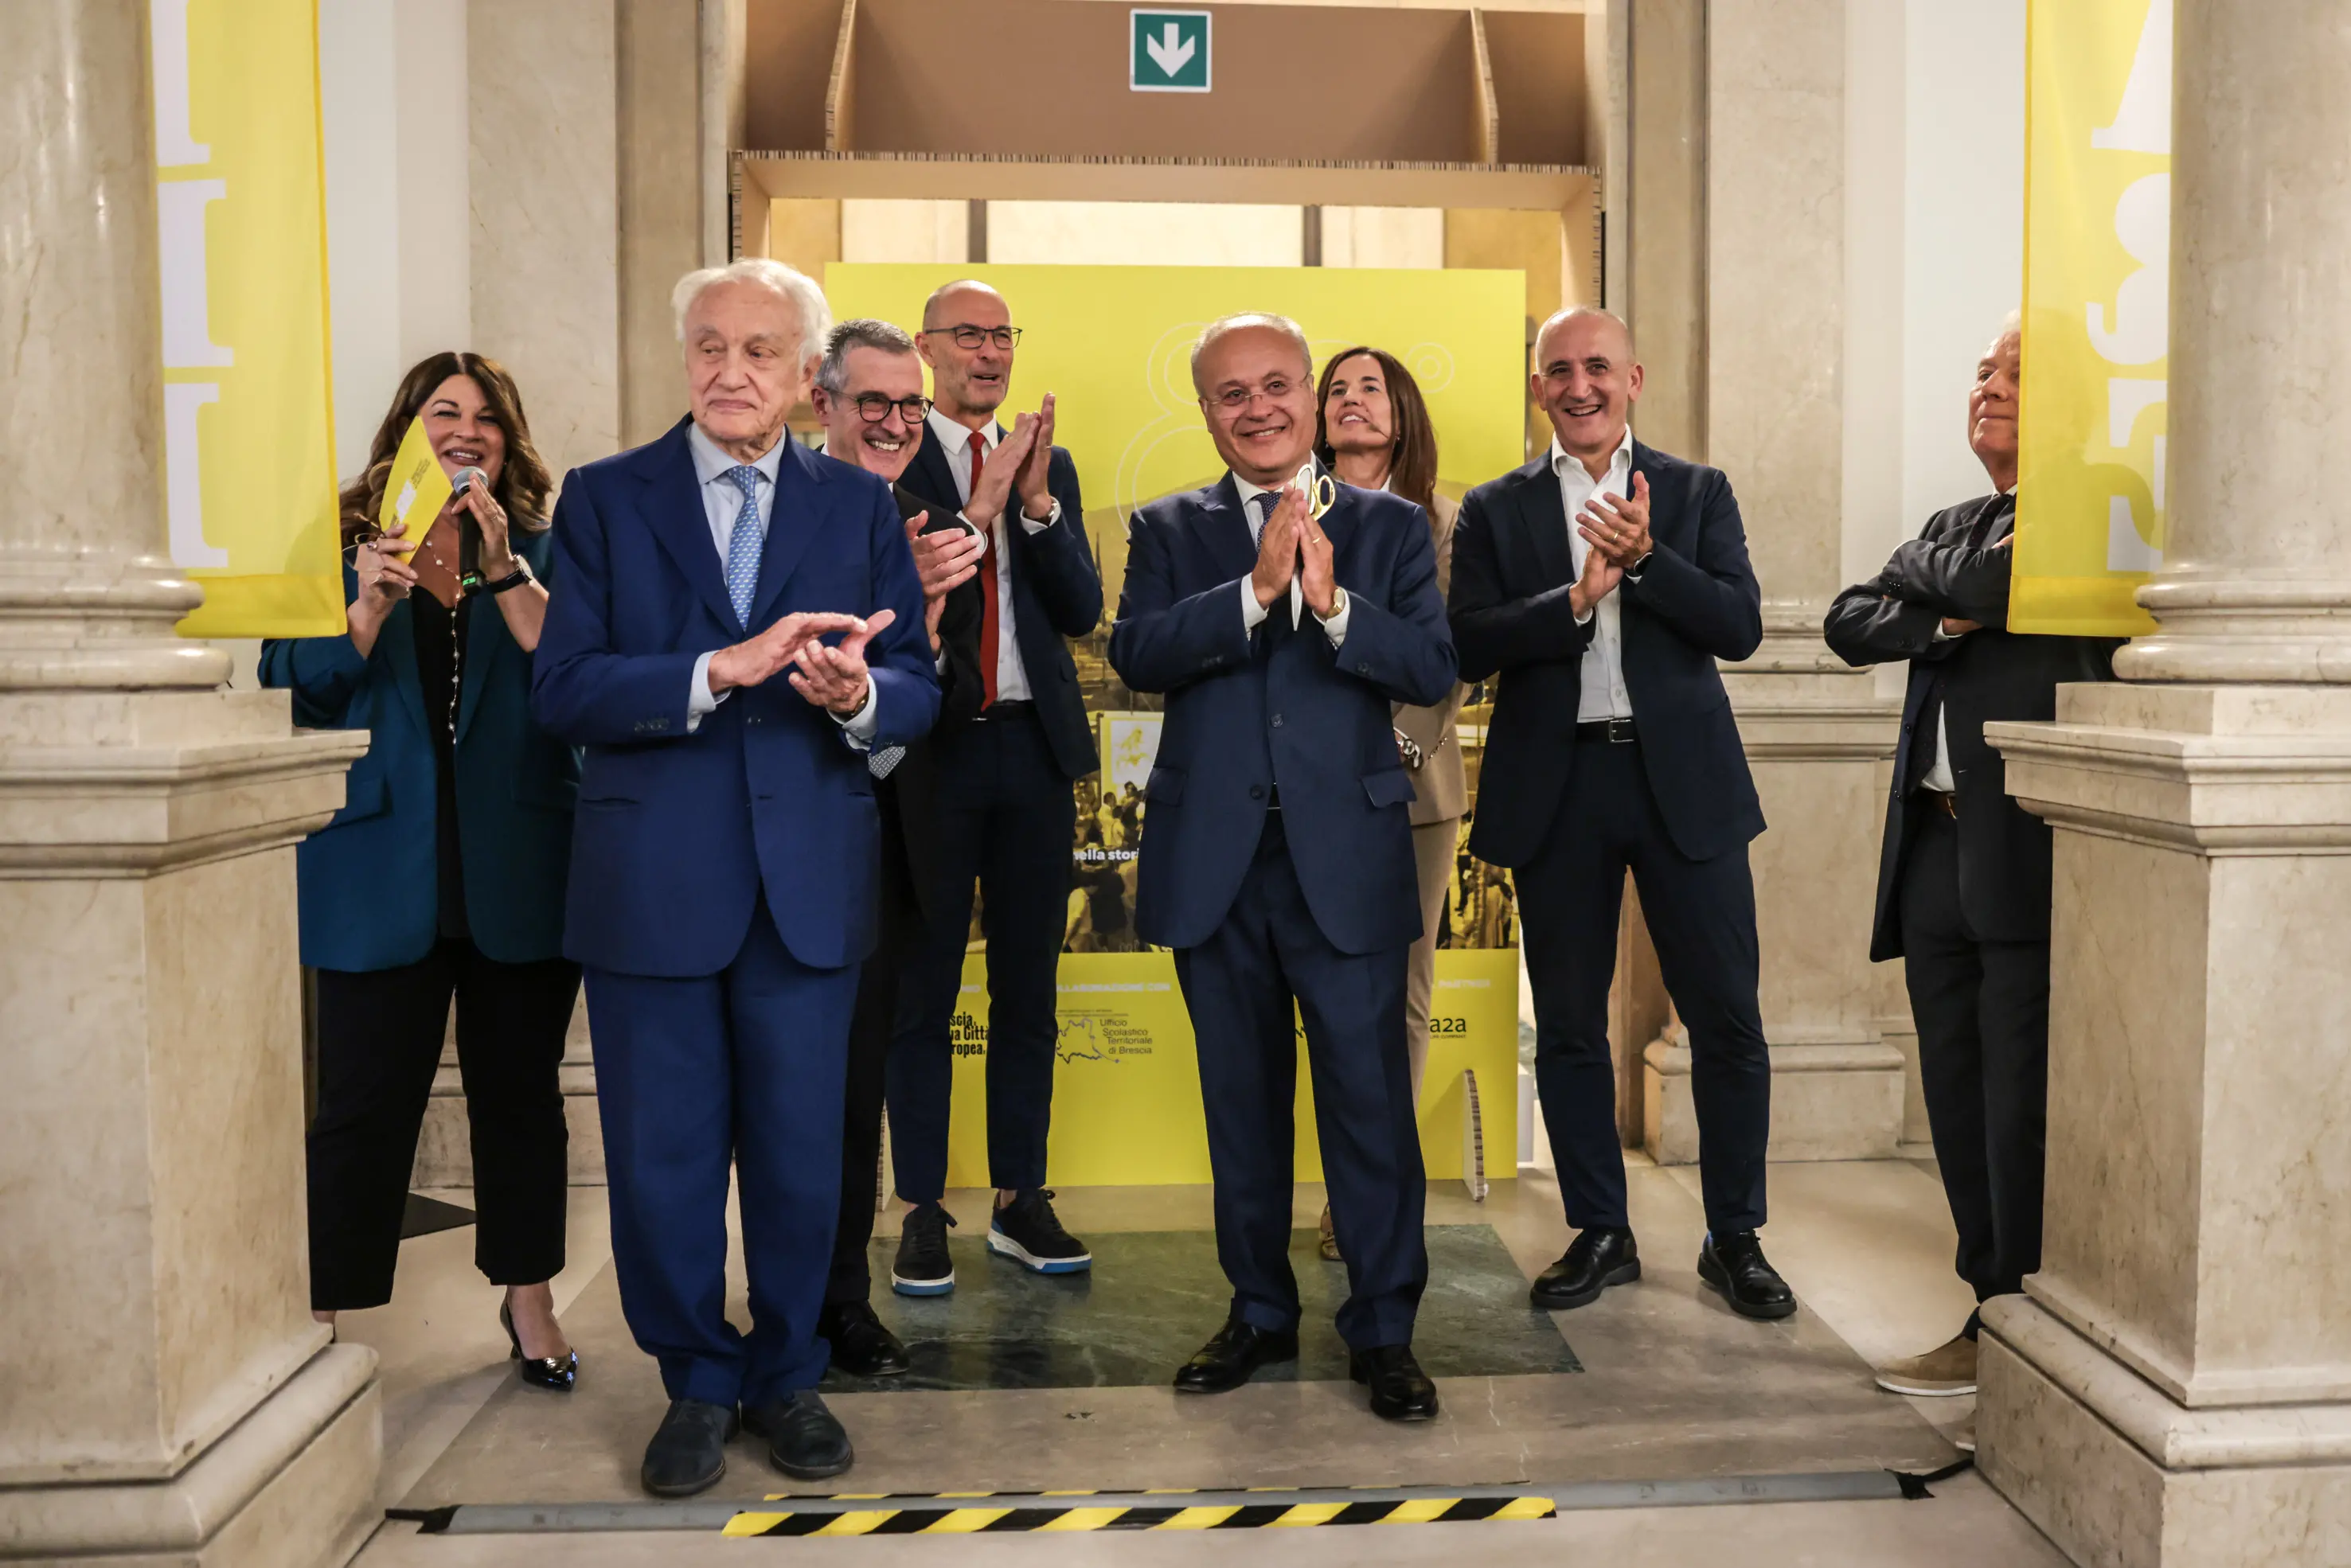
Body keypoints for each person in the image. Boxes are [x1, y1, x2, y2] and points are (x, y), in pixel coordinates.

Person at [530, 259, 936, 1496]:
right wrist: (718, 668)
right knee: (663, 1158)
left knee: (803, 1154)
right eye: (710, 345)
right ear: (685, 359)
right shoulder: (605, 497)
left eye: (760, 350)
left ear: (806, 376)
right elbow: (563, 688)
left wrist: (859, 694)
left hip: (808, 883)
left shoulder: (858, 507)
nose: (730, 370)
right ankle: (697, 1380)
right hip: (651, 884)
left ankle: (788, 1375)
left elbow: (917, 684)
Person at [1110, 313, 1457, 1422]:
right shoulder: (1167, 527)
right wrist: (1252, 595)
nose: (1256, 408)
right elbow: (1136, 653)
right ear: (1206, 411)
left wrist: (1334, 605)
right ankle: (1258, 1310)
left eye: (1275, 385)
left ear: (1309, 395)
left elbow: (1432, 664)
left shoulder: (1391, 525)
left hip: (1346, 859)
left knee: (1369, 1106)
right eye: (1231, 393)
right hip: (1214, 864)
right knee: (1240, 1106)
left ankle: (1384, 1327)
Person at [1450, 306, 1794, 1321]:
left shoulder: (1694, 492)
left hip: (1681, 780)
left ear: (1632, 378)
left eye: (1597, 366)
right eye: (1558, 370)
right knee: (1567, 1022)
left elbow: (1739, 625)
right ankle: (1600, 1229)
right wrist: (1570, 600)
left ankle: (1735, 1236)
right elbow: (1467, 643)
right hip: (1557, 786)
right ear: (1537, 388)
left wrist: (1645, 561)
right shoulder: (1495, 507)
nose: (1578, 385)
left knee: (1726, 1017)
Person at [264, 352, 581, 1393]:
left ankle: (528, 1294)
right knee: (362, 1102)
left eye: (487, 416)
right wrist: (361, 611)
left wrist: (504, 564)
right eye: (444, 411)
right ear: (407, 427)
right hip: (378, 867)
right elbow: (285, 680)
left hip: (520, 860)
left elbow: (581, 676)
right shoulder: (339, 543)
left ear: (509, 438)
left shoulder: (546, 544)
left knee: (520, 1097)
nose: (465, 430)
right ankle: (321, 1302)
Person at [1824, 322, 2118, 1411]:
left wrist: (1925, 587)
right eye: (1983, 372)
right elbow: (1850, 621)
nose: (1988, 386)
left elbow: (1987, 586)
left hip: (2023, 850)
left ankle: (2031, 1319)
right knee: (1953, 1091)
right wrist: (1945, 603)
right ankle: (1988, 1309)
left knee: (2018, 1101)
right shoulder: (1961, 521)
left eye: (2014, 374)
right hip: (1934, 846)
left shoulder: (2095, 503)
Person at [888, 278, 1103, 1294]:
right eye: (968, 334)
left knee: (1029, 988)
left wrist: (1040, 504)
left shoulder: (1047, 461)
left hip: (1034, 750)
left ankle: (1021, 1196)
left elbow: (1081, 607)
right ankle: (920, 1205)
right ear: (927, 349)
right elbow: (906, 593)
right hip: (932, 750)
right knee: (922, 988)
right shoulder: (891, 460)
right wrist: (979, 509)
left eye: (1001, 334)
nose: (989, 351)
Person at [803, 318, 989, 1377]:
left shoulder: (938, 526)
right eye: (871, 400)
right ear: (822, 401)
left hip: (887, 846)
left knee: (851, 1091)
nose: (892, 422)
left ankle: (838, 1299)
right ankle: (766, 1303)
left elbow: (955, 693)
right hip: (769, 838)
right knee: (769, 1095)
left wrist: (922, 616)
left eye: (909, 405)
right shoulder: (772, 510)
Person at [1313, 345, 1470, 1263]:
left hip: (1412, 791)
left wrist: (1396, 747)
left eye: (1370, 387)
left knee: (1399, 998)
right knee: (1322, 995)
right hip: (1302, 789)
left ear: (1402, 411)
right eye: (1336, 389)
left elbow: (1449, 654)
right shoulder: (1294, 511)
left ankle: (1368, 1196)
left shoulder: (1444, 521)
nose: (1352, 400)